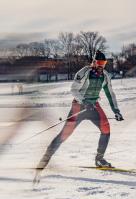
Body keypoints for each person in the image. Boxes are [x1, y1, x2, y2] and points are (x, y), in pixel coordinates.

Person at [34, 50, 123, 180]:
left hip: (93, 106)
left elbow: (110, 93)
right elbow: (74, 89)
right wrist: (84, 101)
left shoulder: (105, 75)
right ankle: (44, 160)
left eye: (103, 63)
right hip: (79, 105)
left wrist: (116, 110)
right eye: (99, 62)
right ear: (93, 62)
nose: (101, 65)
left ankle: (99, 160)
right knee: (65, 134)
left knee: (106, 128)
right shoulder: (84, 72)